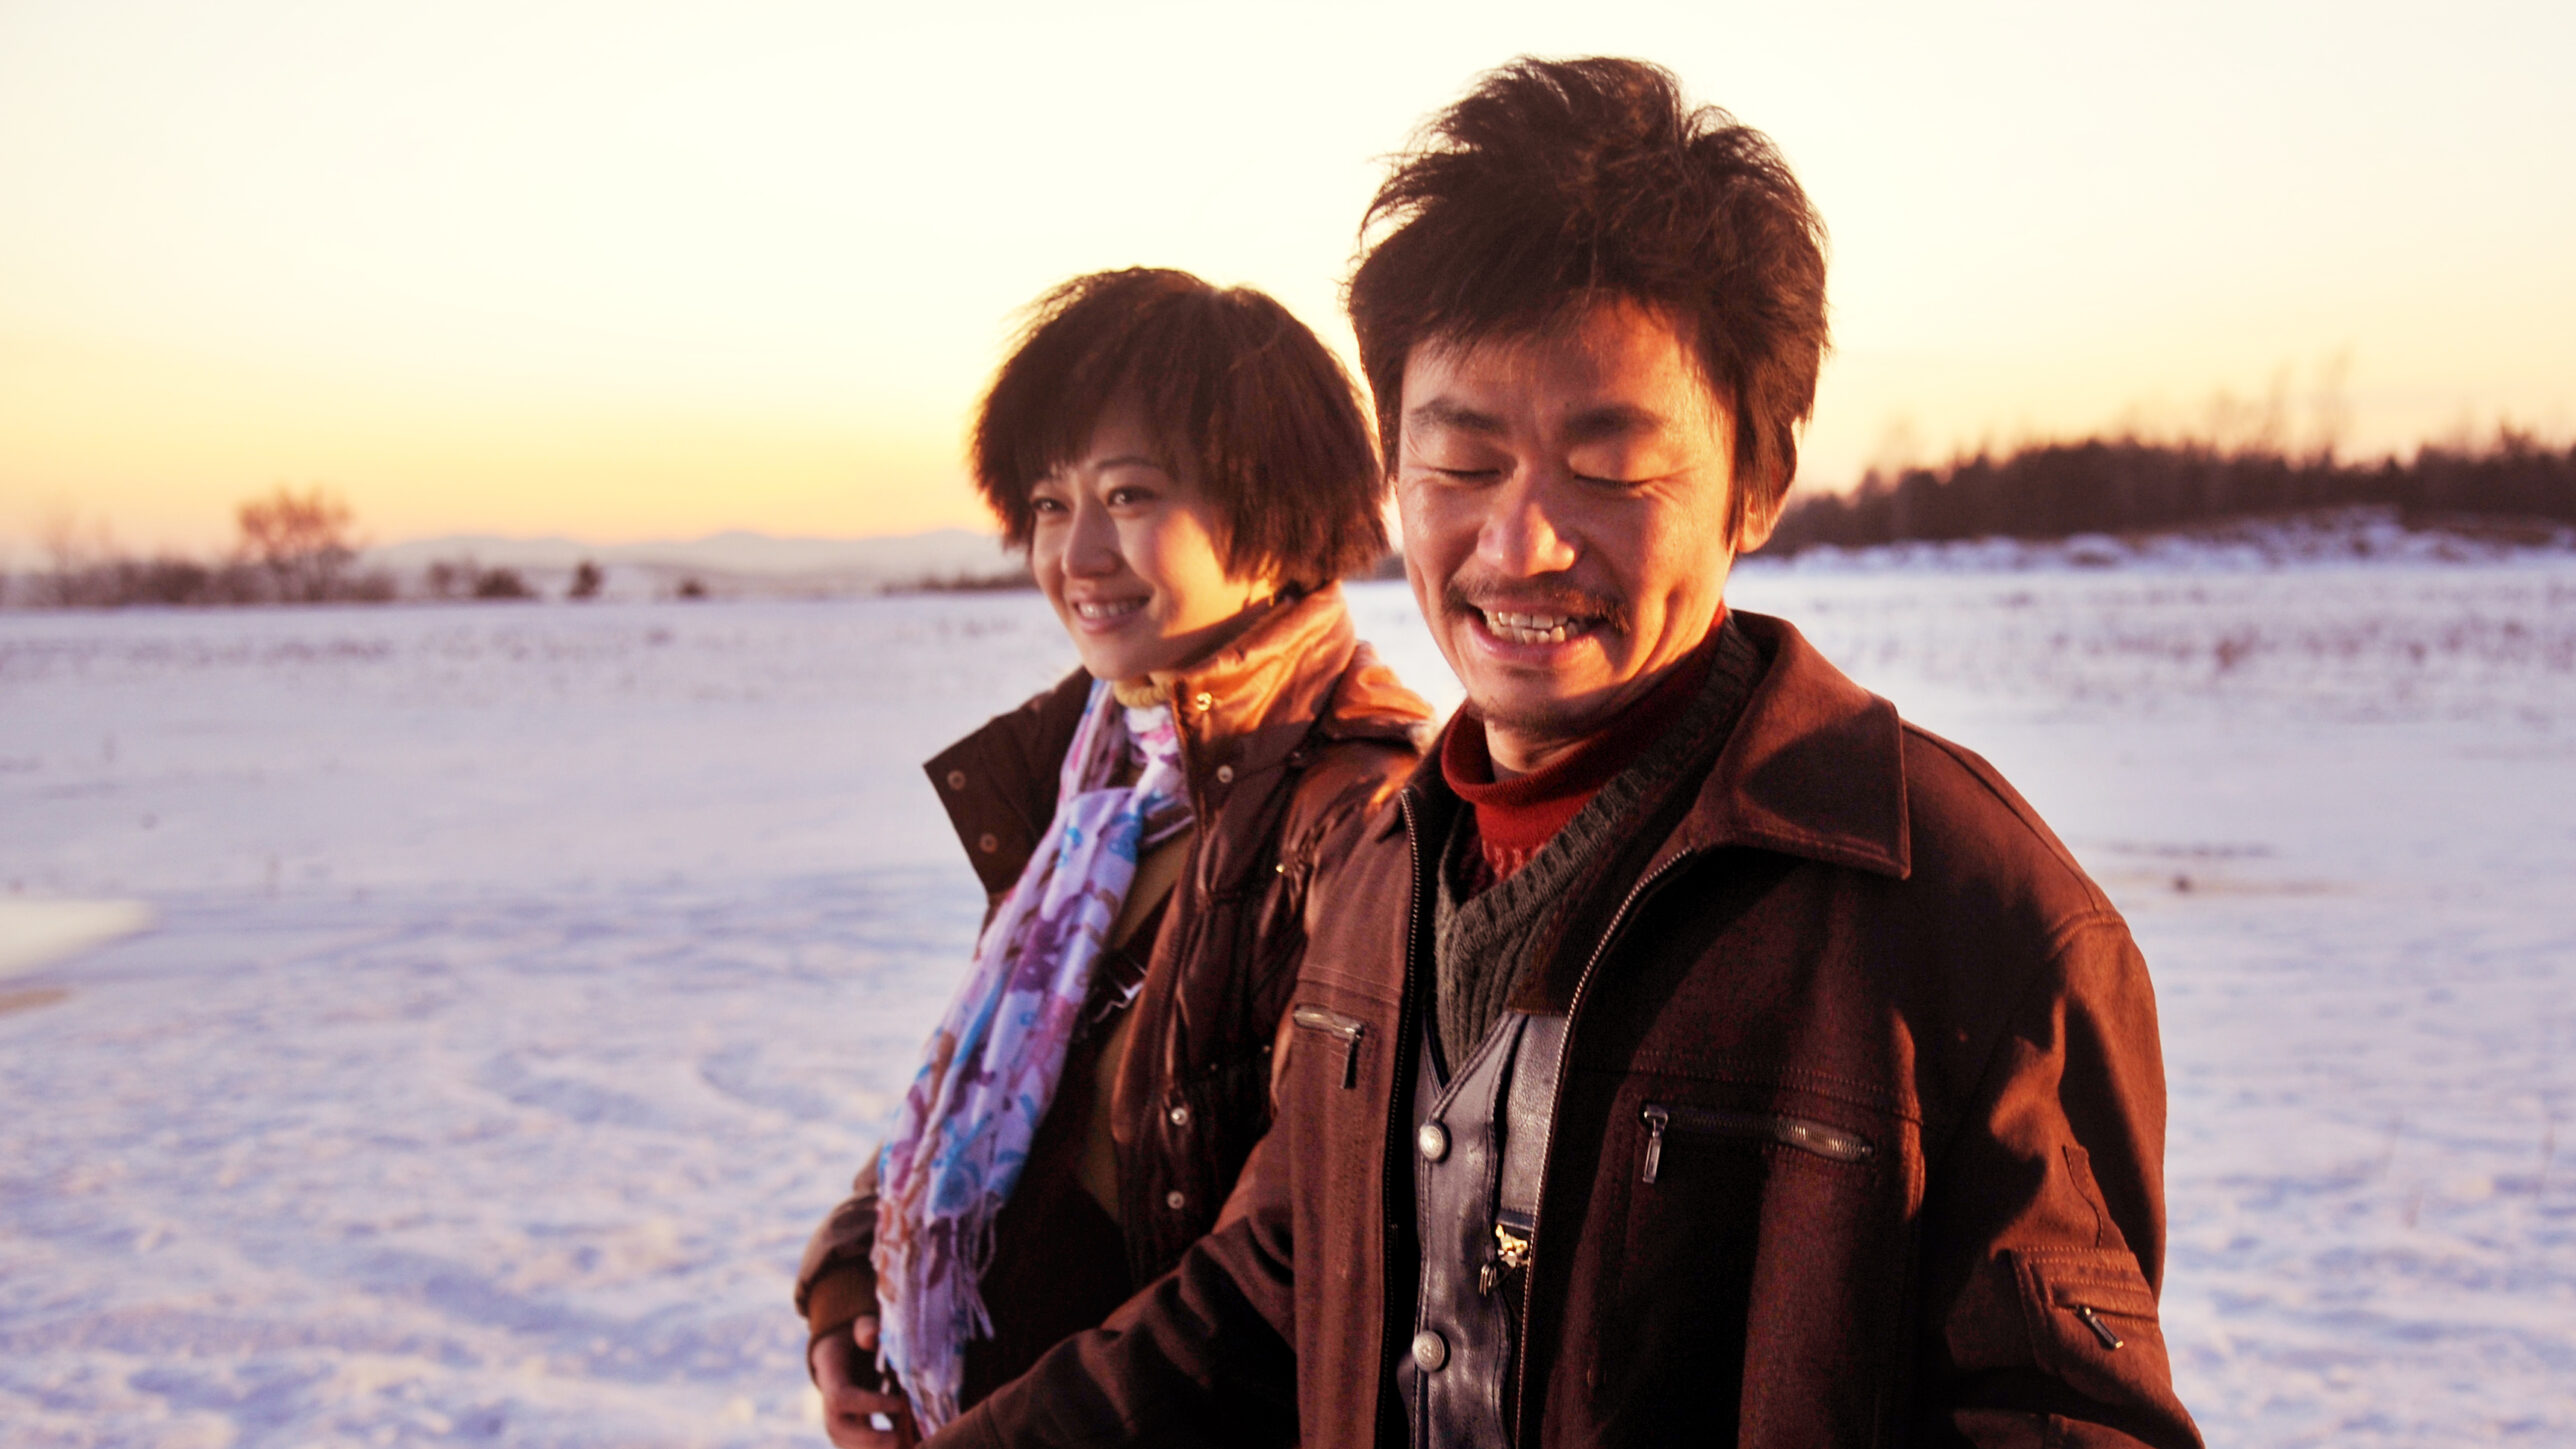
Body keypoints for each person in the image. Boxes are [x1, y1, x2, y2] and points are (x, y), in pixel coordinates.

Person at [925, 58, 2203, 1448]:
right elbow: (1278, 1286)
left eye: (1607, 468)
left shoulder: (1958, 917)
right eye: (1463, 466)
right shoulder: (1383, 868)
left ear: (1756, 482)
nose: (1520, 544)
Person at [793, 267, 1432, 1445]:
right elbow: (990, 1084)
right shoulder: (1094, 777)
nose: (1075, 554)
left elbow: (1295, 1259)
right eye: (1048, 503)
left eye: (1129, 495)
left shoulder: (1355, 816)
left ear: (1277, 509)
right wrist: (849, 1282)